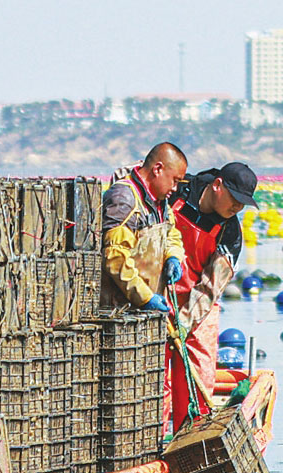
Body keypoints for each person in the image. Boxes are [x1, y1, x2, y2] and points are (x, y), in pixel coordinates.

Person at [165, 161, 258, 430]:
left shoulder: (230, 234)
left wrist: (184, 323)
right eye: (234, 200)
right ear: (217, 186)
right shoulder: (178, 192)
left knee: (198, 379)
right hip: (157, 300)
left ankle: (191, 437)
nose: (237, 208)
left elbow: (210, 287)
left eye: (243, 204)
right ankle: (154, 443)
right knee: (155, 383)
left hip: (197, 308)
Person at [99, 142, 188, 312]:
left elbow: (172, 234)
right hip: (119, 311)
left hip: (143, 310)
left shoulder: (161, 202)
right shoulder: (124, 199)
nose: (175, 188)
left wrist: (173, 257)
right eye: (175, 180)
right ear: (158, 169)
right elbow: (115, 257)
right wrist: (145, 298)